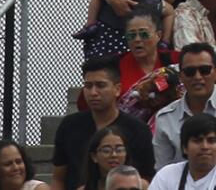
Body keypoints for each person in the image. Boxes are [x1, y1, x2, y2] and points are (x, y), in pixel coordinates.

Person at [52, 58, 156, 190]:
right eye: (88, 86)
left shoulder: (138, 129)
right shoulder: (69, 125)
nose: (93, 92)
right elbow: (58, 177)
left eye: (100, 85)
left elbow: (148, 178)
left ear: (117, 89)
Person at [153, 43, 216, 170]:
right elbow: (163, 173)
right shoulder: (165, 118)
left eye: (205, 70)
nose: (197, 77)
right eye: (190, 72)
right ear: (181, 77)